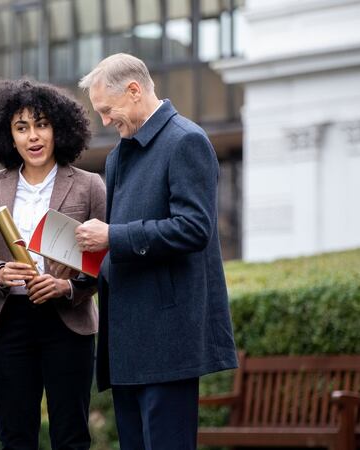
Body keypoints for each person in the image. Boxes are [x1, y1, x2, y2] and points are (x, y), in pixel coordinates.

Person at [75, 53, 239, 450]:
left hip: (167, 340)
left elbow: (194, 229)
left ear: (134, 91)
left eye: (107, 110)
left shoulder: (186, 140)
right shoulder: (118, 156)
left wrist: (113, 236)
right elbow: (122, 244)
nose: (105, 121)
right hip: (127, 339)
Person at [0, 79, 106, 450]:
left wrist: (69, 287)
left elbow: (104, 263)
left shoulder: (90, 186)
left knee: (71, 435)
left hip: (68, 322)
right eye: (21, 127)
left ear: (58, 128)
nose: (33, 136)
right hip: (11, 320)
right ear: (8, 136)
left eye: (41, 124)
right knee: (14, 435)